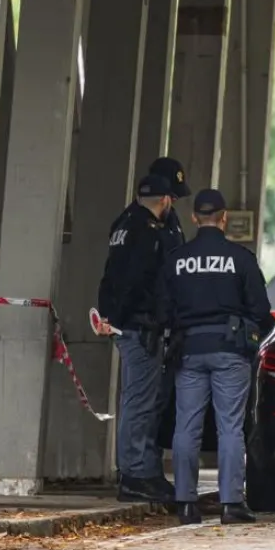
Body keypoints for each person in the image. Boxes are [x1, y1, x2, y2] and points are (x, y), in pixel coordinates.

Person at [159, 188, 273, 525]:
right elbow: (261, 310)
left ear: (194, 217)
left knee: (187, 427)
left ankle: (185, 503)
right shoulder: (240, 258)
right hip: (230, 351)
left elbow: (162, 310)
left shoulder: (177, 259)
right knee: (229, 428)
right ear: (224, 218)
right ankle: (231, 503)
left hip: (189, 350)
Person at [97, 172, 180, 503]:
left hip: (127, 324)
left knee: (141, 399)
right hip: (139, 326)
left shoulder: (123, 223)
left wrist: (110, 316)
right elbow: (136, 282)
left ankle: (142, 469)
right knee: (140, 401)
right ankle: (135, 473)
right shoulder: (147, 233)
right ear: (165, 200)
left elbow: (112, 277)